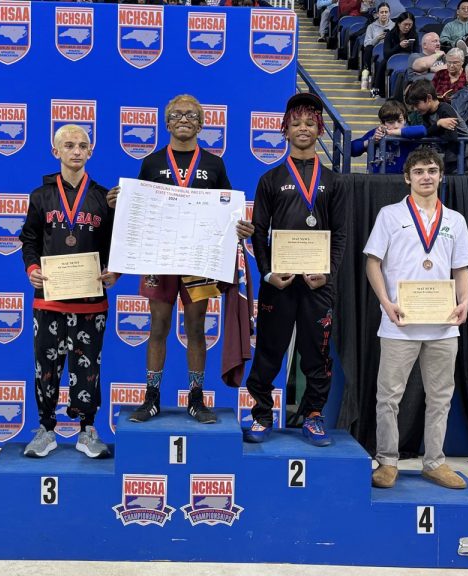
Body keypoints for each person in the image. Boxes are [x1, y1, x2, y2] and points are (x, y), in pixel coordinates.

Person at [108, 94, 253, 424]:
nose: (183, 119)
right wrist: (119, 203)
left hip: (199, 260)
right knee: (157, 326)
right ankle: (152, 397)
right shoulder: (152, 162)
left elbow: (229, 210)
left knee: (197, 328)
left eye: (191, 115)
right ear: (166, 122)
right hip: (159, 259)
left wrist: (241, 225)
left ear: (201, 124)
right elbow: (137, 210)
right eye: (176, 114)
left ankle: (196, 398)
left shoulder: (214, 164)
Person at [364, 146, 468, 490]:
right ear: (407, 177)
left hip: (443, 324)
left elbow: (461, 267)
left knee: (440, 397)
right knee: (388, 397)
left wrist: (465, 301)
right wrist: (385, 302)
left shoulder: (455, 220)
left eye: (432, 170)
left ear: (441, 176)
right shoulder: (389, 215)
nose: (426, 176)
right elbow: (372, 262)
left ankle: (434, 462)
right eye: (419, 171)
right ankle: (387, 461)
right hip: (399, 321)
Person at [244, 92, 347, 446]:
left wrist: (328, 273)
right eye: (296, 123)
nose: (303, 128)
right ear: (285, 130)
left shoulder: (333, 181)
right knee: (269, 350)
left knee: (317, 352)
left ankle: (314, 415)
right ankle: (261, 414)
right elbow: (259, 231)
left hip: (319, 284)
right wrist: (267, 273)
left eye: (310, 123)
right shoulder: (270, 179)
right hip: (279, 283)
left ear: (320, 130)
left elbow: (340, 234)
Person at [19, 124, 119, 459]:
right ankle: (46, 429)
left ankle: (87, 430)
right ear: (56, 151)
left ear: (91, 152)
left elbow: (115, 244)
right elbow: (29, 240)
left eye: (82, 145)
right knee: (45, 368)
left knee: (88, 368)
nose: (76, 151)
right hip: (50, 300)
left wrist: (114, 271)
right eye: (69, 145)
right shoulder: (41, 196)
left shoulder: (104, 198)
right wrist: (32, 270)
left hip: (91, 302)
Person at [406, 79, 468, 173]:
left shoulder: (445, 109)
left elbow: (452, 137)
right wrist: (438, 124)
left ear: (429, 98)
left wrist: (435, 128)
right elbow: (426, 133)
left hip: (464, 157)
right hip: (448, 158)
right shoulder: (426, 114)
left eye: (416, 104)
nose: (415, 109)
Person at [351, 99, 427, 172]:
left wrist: (390, 132)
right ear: (382, 123)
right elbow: (352, 150)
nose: (396, 126)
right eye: (391, 122)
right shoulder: (376, 133)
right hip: (376, 178)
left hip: (401, 179)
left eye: (400, 121)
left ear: (405, 120)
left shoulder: (409, 133)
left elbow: (422, 130)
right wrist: (372, 141)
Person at [371, 11, 417, 98]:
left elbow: (416, 52)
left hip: (408, 60)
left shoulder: (414, 35)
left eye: (410, 25)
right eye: (405, 24)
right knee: (383, 63)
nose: (407, 27)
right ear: (399, 24)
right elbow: (386, 54)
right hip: (391, 58)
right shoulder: (390, 34)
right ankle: (377, 90)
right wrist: (399, 46)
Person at [361, 2, 395, 90]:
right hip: (375, 53)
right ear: (377, 14)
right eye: (382, 12)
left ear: (389, 13)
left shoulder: (394, 26)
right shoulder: (371, 27)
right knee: (368, 49)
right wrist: (377, 39)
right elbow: (366, 44)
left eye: (386, 12)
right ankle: (367, 73)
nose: (384, 14)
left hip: (389, 52)